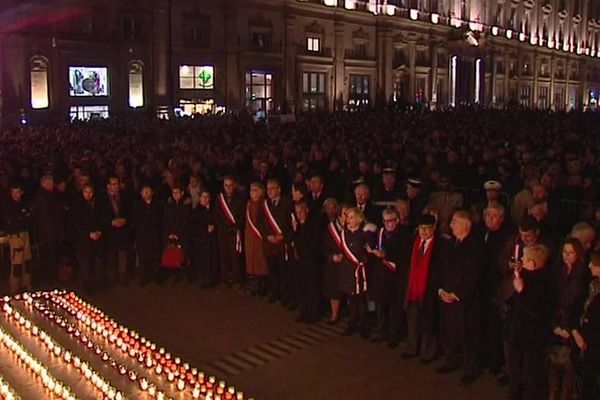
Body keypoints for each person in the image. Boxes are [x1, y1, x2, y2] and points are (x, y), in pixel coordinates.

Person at [436, 210, 483, 386]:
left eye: (455, 222)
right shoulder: (450, 244)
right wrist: (441, 290)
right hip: (448, 296)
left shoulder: (475, 246)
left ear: (465, 225)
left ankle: (470, 367)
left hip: (466, 300)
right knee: (451, 330)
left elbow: (474, 275)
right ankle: (452, 359)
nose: (451, 225)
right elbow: (442, 267)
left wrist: (457, 294)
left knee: (467, 333)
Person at [503, 244, 553, 400]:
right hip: (518, 332)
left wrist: (520, 291)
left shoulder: (541, 283)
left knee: (528, 372)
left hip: (529, 336)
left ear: (531, 264)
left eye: (524, 258)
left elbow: (534, 310)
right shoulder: (526, 277)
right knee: (517, 369)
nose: (521, 261)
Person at [548, 238, 589, 400]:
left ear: (578, 254)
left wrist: (568, 328)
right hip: (556, 326)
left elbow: (578, 306)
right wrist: (555, 325)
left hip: (572, 327)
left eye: (571, 252)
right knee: (553, 369)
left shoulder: (583, 277)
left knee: (569, 371)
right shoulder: (557, 272)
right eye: (565, 252)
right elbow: (551, 300)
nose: (567, 255)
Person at [402, 214, 445, 361]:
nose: (424, 231)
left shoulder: (440, 245)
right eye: (421, 228)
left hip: (429, 289)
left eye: (427, 228)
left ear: (434, 228)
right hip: (413, 289)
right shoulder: (414, 242)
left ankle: (428, 353)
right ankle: (412, 348)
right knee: (412, 320)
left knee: (428, 322)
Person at [366, 207, 404, 346]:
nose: (389, 224)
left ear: (397, 220)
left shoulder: (402, 235)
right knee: (380, 306)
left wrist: (385, 255)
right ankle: (381, 331)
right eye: (386, 221)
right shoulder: (381, 233)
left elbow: (402, 256)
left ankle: (393, 336)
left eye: (391, 220)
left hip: (394, 277)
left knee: (393, 309)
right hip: (380, 275)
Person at [258, 178, 294, 306]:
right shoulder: (264, 204)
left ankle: (285, 295)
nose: (270, 191)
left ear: (279, 189)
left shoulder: (287, 203)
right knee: (272, 270)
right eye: (268, 189)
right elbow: (260, 223)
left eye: (272, 188)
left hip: (282, 243)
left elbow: (291, 223)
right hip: (269, 243)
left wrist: (284, 235)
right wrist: (267, 236)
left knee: (283, 270)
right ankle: (275, 293)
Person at [337, 207, 371, 339]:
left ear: (357, 219)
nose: (348, 220)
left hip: (359, 272)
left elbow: (367, 252)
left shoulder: (363, 234)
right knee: (351, 299)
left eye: (351, 217)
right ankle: (352, 323)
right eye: (347, 217)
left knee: (360, 300)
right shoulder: (344, 234)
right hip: (347, 271)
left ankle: (363, 326)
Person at [571, 250, 600, 400]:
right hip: (585, 346)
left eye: (594, 263)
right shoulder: (591, 286)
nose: (589, 265)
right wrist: (576, 332)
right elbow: (576, 310)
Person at [31, 174, 66, 287]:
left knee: (52, 256)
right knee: (49, 256)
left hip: (52, 232)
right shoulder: (42, 198)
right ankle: (49, 279)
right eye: (50, 183)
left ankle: (52, 278)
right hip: (48, 233)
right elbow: (45, 217)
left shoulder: (50, 195)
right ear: (45, 184)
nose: (52, 185)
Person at [291, 199, 322, 323]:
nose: (299, 215)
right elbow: (294, 242)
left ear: (306, 211)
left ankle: (313, 313)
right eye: (297, 212)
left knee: (311, 288)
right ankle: (303, 311)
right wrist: (295, 230)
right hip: (299, 261)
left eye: (301, 212)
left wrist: (300, 228)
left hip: (311, 260)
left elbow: (312, 242)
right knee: (300, 287)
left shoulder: (313, 224)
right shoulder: (296, 225)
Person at [98, 175, 133, 287]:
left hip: (122, 231)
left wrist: (124, 220)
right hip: (110, 232)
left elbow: (129, 211)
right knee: (111, 256)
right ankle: (111, 278)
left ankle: (122, 277)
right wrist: (110, 222)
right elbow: (100, 215)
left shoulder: (124, 196)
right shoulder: (102, 199)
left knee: (123, 255)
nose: (116, 186)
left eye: (117, 184)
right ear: (108, 186)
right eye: (113, 184)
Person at [71, 183, 106, 294]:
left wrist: (99, 231)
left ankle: (99, 283)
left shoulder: (98, 204)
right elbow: (76, 223)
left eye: (90, 192)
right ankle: (87, 286)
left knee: (98, 262)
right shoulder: (77, 205)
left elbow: (102, 218)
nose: (88, 195)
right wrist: (88, 233)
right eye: (86, 192)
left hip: (97, 237)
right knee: (85, 263)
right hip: (84, 239)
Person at [213, 176, 245, 290]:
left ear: (234, 186)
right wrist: (223, 227)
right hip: (222, 232)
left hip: (234, 232)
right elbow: (216, 216)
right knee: (224, 256)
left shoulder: (240, 199)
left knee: (235, 257)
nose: (228, 188)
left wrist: (235, 228)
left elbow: (241, 216)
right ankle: (224, 280)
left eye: (230, 185)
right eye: (226, 185)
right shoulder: (219, 199)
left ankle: (237, 281)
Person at [1, 182, 33, 293]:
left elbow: (29, 219)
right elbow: (9, 222)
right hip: (15, 236)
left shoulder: (24, 204)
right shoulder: (7, 206)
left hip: (25, 234)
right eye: (13, 192)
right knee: (17, 263)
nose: (15, 195)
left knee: (27, 261)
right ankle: (14, 288)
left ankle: (27, 284)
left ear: (21, 193)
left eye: (17, 192)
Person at [321, 199, 346, 324]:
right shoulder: (329, 229)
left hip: (349, 265)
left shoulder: (353, 228)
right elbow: (323, 247)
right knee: (334, 290)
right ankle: (334, 315)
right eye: (343, 215)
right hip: (335, 264)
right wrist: (332, 257)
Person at [132, 184, 163, 286]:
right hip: (142, 235)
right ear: (141, 193)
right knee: (142, 256)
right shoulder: (136, 205)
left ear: (152, 193)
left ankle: (155, 276)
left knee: (155, 256)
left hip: (154, 234)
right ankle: (143, 277)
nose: (146, 193)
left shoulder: (157, 204)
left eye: (148, 191)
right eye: (144, 191)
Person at [161, 185, 191, 282]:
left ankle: (184, 275)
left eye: (177, 192)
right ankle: (174, 274)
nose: (175, 195)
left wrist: (178, 233)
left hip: (182, 234)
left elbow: (186, 221)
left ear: (182, 193)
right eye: (173, 193)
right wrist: (170, 233)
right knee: (172, 254)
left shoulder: (186, 206)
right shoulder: (168, 206)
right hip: (171, 234)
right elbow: (165, 220)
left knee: (183, 254)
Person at [189, 190, 218, 287]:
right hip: (201, 240)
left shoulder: (214, 210)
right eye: (203, 197)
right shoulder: (196, 211)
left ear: (209, 198)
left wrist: (213, 226)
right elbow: (193, 226)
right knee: (203, 260)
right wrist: (205, 229)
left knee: (212, 259)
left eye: (207, 197)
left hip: (212, 240)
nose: (205, 199)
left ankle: (212, 278)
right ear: (200, 198)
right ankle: (203, 279)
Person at [245, 182, 268, 295]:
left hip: (260, 237)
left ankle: (263, 286)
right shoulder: (249, 204)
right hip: (250, 238)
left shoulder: (264, 204)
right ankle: (254, 285)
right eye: (251, 190)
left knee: (261, 261)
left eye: (255, 190)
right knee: (252, 261)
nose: (252, 192)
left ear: (261, 192)